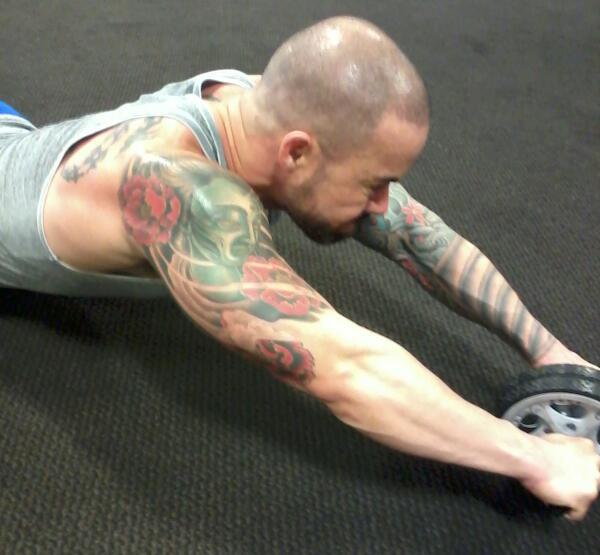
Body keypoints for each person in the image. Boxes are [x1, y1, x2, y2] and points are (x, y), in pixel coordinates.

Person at [1, 16, 598, 520]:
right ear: (296, 152)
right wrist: (536, 459)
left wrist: (551, 354)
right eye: (373, 184)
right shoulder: (183, 191)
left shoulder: (260, 101)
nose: (383, 204)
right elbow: (346, 368)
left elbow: (416, 236)